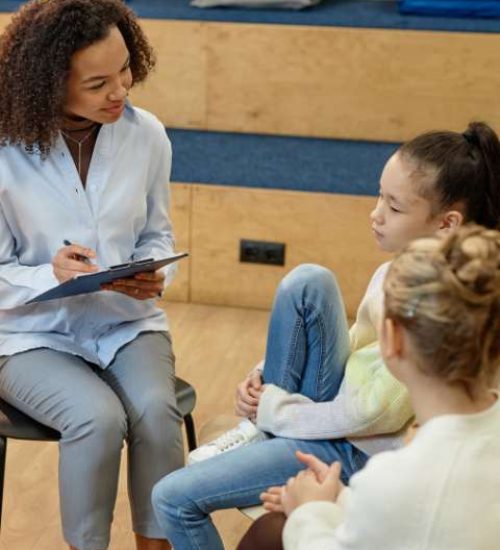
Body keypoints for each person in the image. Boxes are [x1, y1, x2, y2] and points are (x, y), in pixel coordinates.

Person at [152, 121, 500, 550]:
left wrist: (275, 412)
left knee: (171, 498)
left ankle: (265, 428)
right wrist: (266, 377)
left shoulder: (426, 312)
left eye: (393, 206)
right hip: (340, 414)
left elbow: (375, 414)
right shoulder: (396, 274)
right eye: (379, 195)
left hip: (355, 446)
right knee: (309, 281)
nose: (375, 213)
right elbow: (356, 341)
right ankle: (262, 428)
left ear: (446, 224)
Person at [0, 1, 182, 549]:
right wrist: (47, 275)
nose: (120, 91)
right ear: (47, 84)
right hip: (28, 335)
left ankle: (158, 545)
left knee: (155, 411)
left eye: (125, 69)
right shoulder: (4, 150)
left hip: (126, 323)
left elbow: (157, 233)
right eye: (98, 82)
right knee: (97, 420)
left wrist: (153, 275)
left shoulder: (146, 135)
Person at [243, 224, 500, 550]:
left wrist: (310, 510)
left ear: (391, 339)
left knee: (265, 535)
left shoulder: (393, 478)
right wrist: (342, 497)